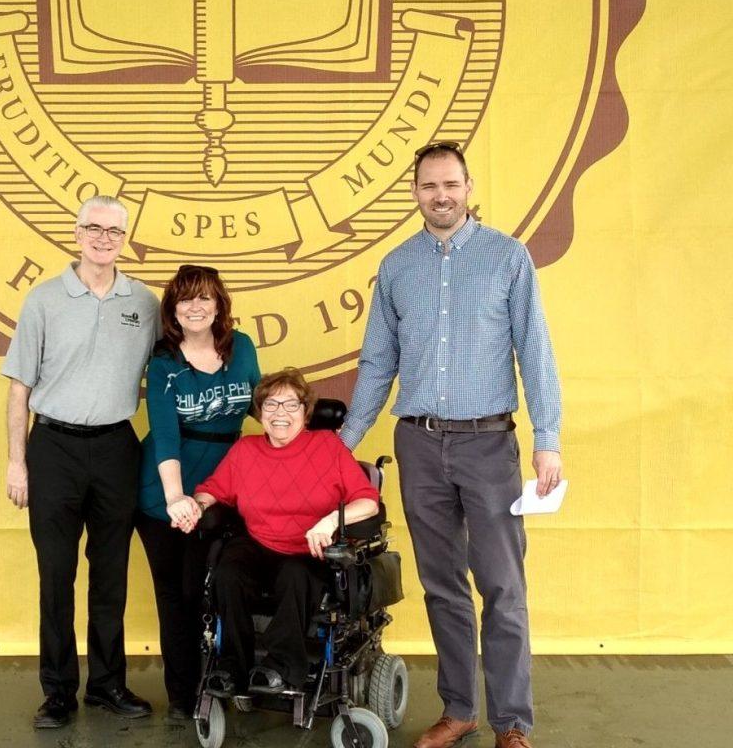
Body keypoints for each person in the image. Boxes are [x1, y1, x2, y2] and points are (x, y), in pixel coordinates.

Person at [340, 141, 563, 748]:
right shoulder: (397, 266)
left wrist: (548, 440)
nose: (440, 196)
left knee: (502, 588)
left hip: (489, 446)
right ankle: (459, 709)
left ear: (469, 188)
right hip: (419, 445)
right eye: (428, 186)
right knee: (442, 586)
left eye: (451, 185)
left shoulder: (507, 258)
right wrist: (344, 443)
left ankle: (512, 723)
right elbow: (378, 360)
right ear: (414, 193)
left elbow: (535, 354)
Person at [2, 195, 160, 730]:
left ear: (125, 239)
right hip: (53, 449)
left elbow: (171, 369)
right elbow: (19, 388)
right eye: (93, 228)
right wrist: (17, 463)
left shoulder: (144, 302)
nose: (103, 238)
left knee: (111, 573)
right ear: (76, 233)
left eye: (114, 231)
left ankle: (108, 685)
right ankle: (58, 692)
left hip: (117, 447)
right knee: (56, 575)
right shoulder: (44, 301)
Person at [191, 368, 380, 697]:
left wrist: (330, 521)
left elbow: (368, 502)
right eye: (271, 405)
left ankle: (280, 667)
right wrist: (196, 504)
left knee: (294, 575)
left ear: (306, 412)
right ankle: (232, 666)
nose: (280, 414)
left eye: (291, 405)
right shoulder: (246, 451)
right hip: (259, 542)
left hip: (309, 550)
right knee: (228, 572)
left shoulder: (327, 447)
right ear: (260, 412)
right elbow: (213, 490)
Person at [135, 264, 261, 723]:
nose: (195, 306)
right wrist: (175, 500)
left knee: (223, 586)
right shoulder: (165, 360)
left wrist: (306, 445)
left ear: (219, 304)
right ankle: (183, 697)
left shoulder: (241, 348)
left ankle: (233, 678)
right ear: (172, 308)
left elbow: (260, 408)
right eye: (185, 298)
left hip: (223, 486)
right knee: (179, 595)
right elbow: (164, 434)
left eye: (204, 297)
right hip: (164, 489)